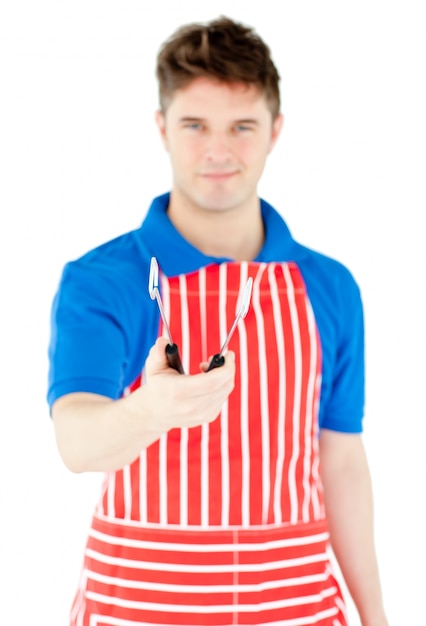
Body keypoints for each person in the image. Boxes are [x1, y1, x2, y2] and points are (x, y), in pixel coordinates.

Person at [47, 16, 389, 626]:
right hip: (138, 608)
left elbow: (340, 458)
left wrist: (376, 614)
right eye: (196, 125)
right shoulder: (107, 279)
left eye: (242, 127)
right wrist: (149, 412)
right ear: (163, 128)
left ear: (275, 131)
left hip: (295, 609)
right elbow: (76, 442)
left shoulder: (328, 287)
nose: (218, 151)